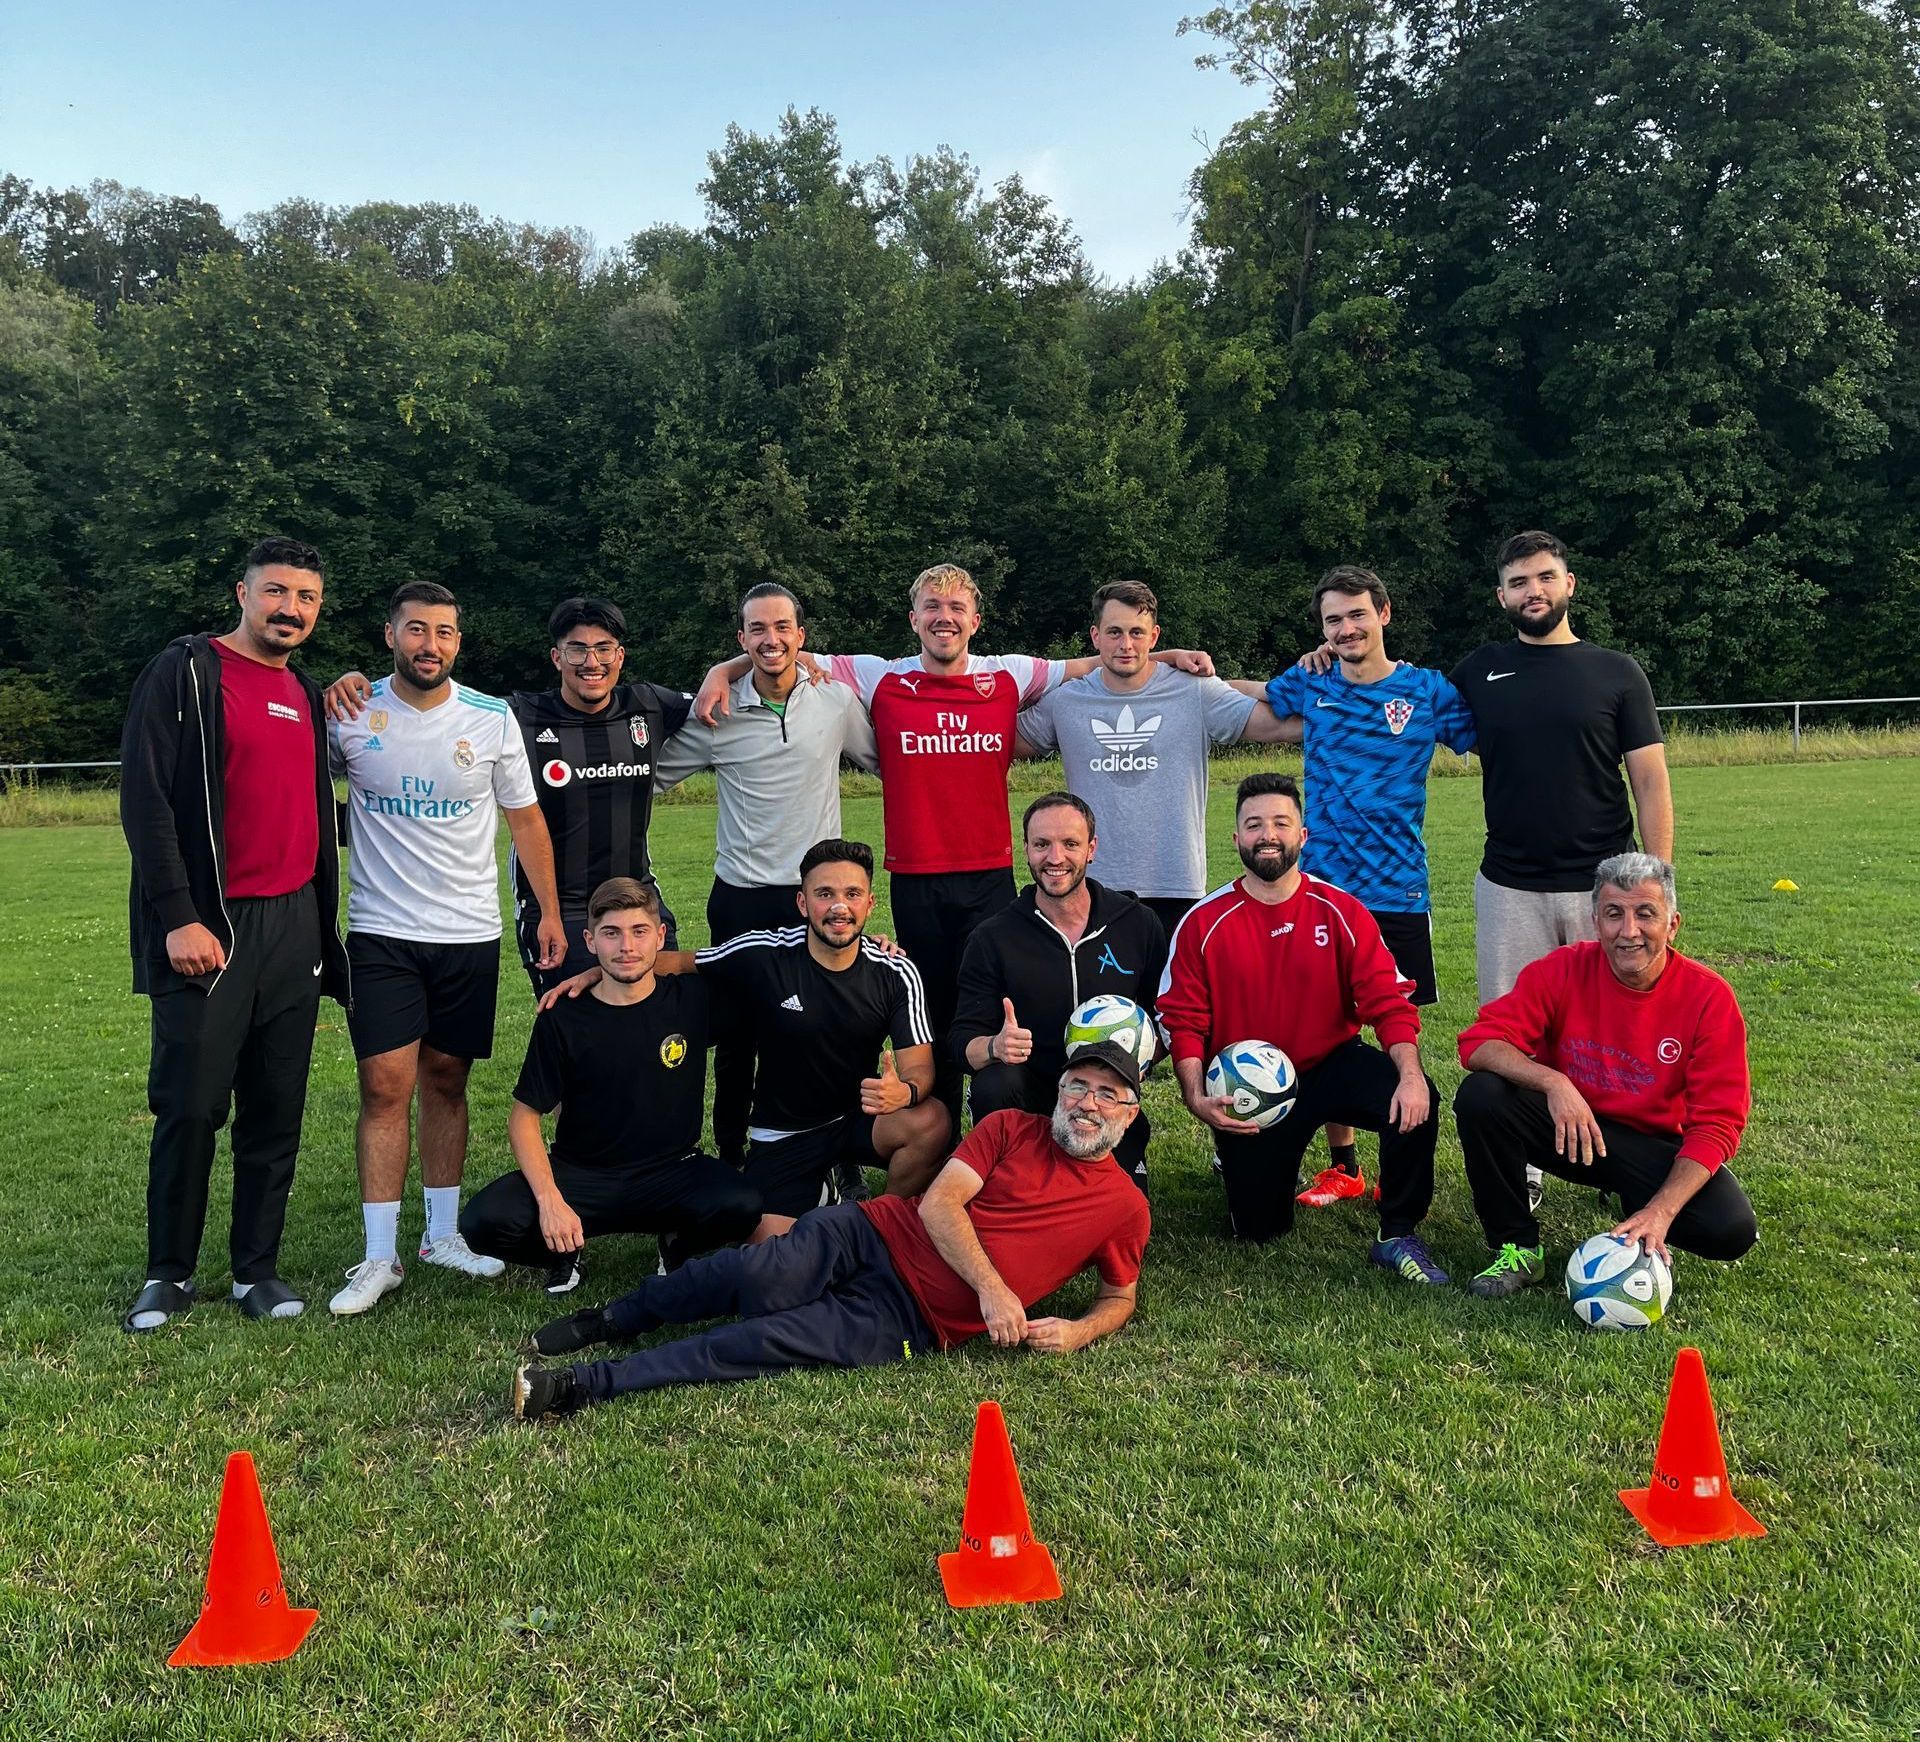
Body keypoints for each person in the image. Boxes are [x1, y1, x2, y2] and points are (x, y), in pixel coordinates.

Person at [691, 562, 1214, 1122]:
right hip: (916, 878)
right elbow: (780, 650)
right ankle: (936, 1135)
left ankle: (1002, 1131)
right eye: (933, 609)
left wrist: (1164, 657)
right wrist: (723, 670)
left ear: (976, 620)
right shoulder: (876, 675)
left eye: (956, 609)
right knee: (930, 1014)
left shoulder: (1009, 674)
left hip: (989, 875)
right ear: (914, 619)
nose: (945, 619)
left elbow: (1098, 659)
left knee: (993, 1009)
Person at [508, 1041, 1152, 1420]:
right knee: (747, 1272)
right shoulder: (1011, 1126)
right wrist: (993, 1289)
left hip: (909, 1320)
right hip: (871, 1231)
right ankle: (615, 1318)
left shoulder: (1125, 1208)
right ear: (1059, 1089)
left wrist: (1076, 1330)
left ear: (1130, 1112)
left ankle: (589, 1383)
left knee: (759, 1341)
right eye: (1077, 1086)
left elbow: (1119, 1297)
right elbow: (937, 1206)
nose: (1087, 1103)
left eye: (1106, 1094)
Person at [118, 536, 349, 1331]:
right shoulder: (185, 672)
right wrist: (178, 914)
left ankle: (257, 1271)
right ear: (242, 593)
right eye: (276, 591)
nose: (291, 608)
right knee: (189, 1103)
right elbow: (145, 802)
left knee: (276, 1107)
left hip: (294, 926)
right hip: (210, 924)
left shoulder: (308, 691)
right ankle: (168, 1275)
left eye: (307, 598)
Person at [326, 581, 568, 1317]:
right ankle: (378, 1256)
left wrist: (550, 913)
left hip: (468, 932)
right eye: (417, 630)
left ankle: (439, 1237)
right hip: (380, 931)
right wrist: (323, 688)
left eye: (446, 633)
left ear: (459, 641)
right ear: (391, 633)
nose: (431, 644)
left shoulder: (492, 718)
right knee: (383, 1086)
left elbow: (525, 822)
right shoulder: (348, 713)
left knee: (447, 1080)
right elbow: (296, 789)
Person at [1453, 531, 1676, 1212]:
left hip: (1601, 887)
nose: (1533, 592)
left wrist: (1656, 884)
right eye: (1518, 582)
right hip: (1509, 886)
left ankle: (1622, 1157)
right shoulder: (1477, 670)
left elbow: (1651, 782)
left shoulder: (1616, 672)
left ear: (1569, 584)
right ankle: (1525, 1162)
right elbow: (1381, 692)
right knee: (1510, 1033)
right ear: (1501, 596)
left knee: (1615, 1029)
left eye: (1545, 577)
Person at [1157, 773, 1448, 1283]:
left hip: (1330, 1061)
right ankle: (1249, 1171)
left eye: (1280, 823)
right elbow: (1183, 1016)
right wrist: (1194, 1094)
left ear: (1302, 835)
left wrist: (1409, 1073)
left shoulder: (1340, 909)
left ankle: (1398, 1230)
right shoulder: (1205, 922)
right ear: (1237, 839)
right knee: (1258, 1230)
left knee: (1416, 1103)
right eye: (1254, 825)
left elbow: (1387, 999)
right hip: (1256, 1086)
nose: (1267, 834)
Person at [1253, 565, 1478, 1207]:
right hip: (1322, 889)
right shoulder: (1312, 679)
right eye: (1332, 620)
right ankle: (1344, 1164)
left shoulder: (1427, 691)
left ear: (1384, 613)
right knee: (1328, 1024)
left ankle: (1398, 1155)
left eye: (1356, 615)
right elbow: (1258, 701)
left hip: (1399, 888)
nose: (1346, 628)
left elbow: (1491, 735)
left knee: (1398, 1022)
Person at [328, 596, 694, 991]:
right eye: (577, 649)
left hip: (639, 899)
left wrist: (730, 667)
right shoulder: (517, 715)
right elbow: (436, 715)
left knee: (659, 1020)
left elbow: (728, 696)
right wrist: (358, 684)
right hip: (559, 909)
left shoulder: (650, 705)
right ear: (557, 657)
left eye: (603, 649)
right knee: (579, 1030)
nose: (592, 662)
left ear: (620, 656)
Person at [1453, 853, 1758, 1296]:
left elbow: (1718, 1123)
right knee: (1482, 1095)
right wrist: (1554, 1082)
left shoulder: (1709, 998)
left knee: (1729, 1229)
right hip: (1571, 1131)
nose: (1628, 931)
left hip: (1653, 1147)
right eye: (1614, 914)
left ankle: (1638, 1203)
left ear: (1673, 925)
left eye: (1645, 914)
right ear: (1596, 922)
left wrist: (1662, 1210)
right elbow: (1478, 1043)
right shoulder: (1562, 969)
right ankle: (1517, 1247)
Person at [653, 582, 879, 1165]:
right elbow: (649, 778)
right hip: (743, 897)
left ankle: (843, 1157)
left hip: (820, 897)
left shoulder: (834, 701)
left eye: (782, 628)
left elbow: (886, 762)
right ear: (742, 639)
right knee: (737, 1037)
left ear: (802, 637)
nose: (771, 639)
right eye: (757, 629)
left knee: (835, 1031)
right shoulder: (717, 711)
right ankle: (731, 1156)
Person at [459, 878, 763, 1294]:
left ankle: (676, 1244)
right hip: (582, 1176)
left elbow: (759, 964)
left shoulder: (693, 1000)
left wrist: (867, 946)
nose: (626, 946)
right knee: (483, 1222)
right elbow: (523, 1119)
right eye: (611, 934)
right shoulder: (564, 1016)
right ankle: (564, 1250)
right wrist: (550, 1202)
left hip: (671, 1172)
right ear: (589, 940)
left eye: (639, 932)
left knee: (743, 1205)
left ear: (660, 937)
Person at [1016, 580, 1295, 939]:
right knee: (1103, 998)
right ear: (1095, 635)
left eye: (1137, 632)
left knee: (1172, 996)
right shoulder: (1066, 701)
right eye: (1114, 632)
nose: (1126, 644)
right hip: (1093, 887)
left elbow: (1275, 726)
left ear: (1154, 636)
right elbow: (998, 742)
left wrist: (1347, 702)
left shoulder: (1193, 690)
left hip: (1176, 887)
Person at [690, 839, 952, 1218]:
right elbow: (682, 962)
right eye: (825, 894)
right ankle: (818, 1190)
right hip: (784, 1131)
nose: (839, 907)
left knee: (932, 1121)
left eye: (852, 893)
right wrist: (607, 970)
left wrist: (905, 1092)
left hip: (856, 1119)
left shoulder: (895, 971)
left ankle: (881, 1223)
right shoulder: (766, 952)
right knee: (772, 1255)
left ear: (869, 903)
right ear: (802, 903)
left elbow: (921, 1070)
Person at [951, 792, 1168, 1193]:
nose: (1055, 858)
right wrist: (995, 1046)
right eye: (1041, 844)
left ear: (1091, 849)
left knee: (1117, 1212)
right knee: (993, 1083)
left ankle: (1108, 1157)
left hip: (1105, 1092)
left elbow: (1165, 1016)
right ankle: (1013, 1169)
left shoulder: (1138, 924)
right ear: (1026, 850)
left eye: (1069, 843)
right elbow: (961, 1042)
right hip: (1031, 1089)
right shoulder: (993, 937)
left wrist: (1143, 1057)